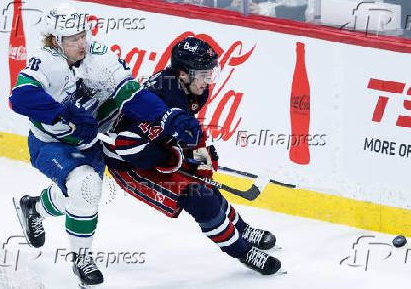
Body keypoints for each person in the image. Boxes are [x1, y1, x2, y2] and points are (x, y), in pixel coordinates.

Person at [9, 3, 201, 287]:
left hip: (89, 143)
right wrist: (63, 113)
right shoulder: (46, 61)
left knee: (82, 195)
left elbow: (130, 94)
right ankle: (82, 260)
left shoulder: (99, 58)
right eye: (72, 39)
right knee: (85, 188)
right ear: (55, 40)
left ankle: (35, 207)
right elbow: (19, 98)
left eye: (83, 35)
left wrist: (166, 116)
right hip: (51, 143)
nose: (82, 43)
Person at [102, 37, 282, 275]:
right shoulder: (162, 97)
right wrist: (170, 159)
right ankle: (243, 251)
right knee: (199, 197)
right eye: (204, 73)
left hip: (154, 148)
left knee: (202, 179)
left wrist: (201, 159)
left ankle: (242, 229)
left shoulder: (193, 90)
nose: (209, 80)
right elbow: (127, 146)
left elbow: (187, 131)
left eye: (211, 73)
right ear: (183, 73)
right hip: (130, 164)